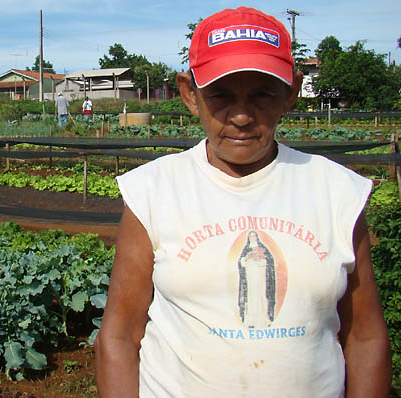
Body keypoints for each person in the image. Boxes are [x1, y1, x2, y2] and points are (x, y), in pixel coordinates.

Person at [95, 6, 391, 398]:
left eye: (263, 95)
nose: (240, 116)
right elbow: (118, 337)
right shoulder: (154, 191)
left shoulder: (337, 193)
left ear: (291, 93)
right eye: (220, 95)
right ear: (190, 94)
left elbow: (366, 338)